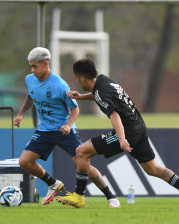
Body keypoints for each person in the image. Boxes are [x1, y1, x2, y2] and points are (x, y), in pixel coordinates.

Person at [55, 58, 179, 209]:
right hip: (139, 127)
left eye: (76, 79)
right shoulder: (104, 80)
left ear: (82, 79)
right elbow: (101, 95)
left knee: (81, 151)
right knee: (152, 169)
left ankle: (79, 196)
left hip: (127, 131)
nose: (76, 82)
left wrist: (121, 138)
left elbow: (114, 115)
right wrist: (82, 97)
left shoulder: (100, 94)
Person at [14, 47, 120, 208]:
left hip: (64, 131)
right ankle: (53, 184)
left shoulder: (60, 85)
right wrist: (20, 114)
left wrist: (68, 125)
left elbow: (75, 109)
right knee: (24, 162)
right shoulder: (30, 79)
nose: (32, 70)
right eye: (31, 66)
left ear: (45, 63)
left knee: (83, 164)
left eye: (35, 66)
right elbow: (31, 95)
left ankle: (111, 197)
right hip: (44, 130)